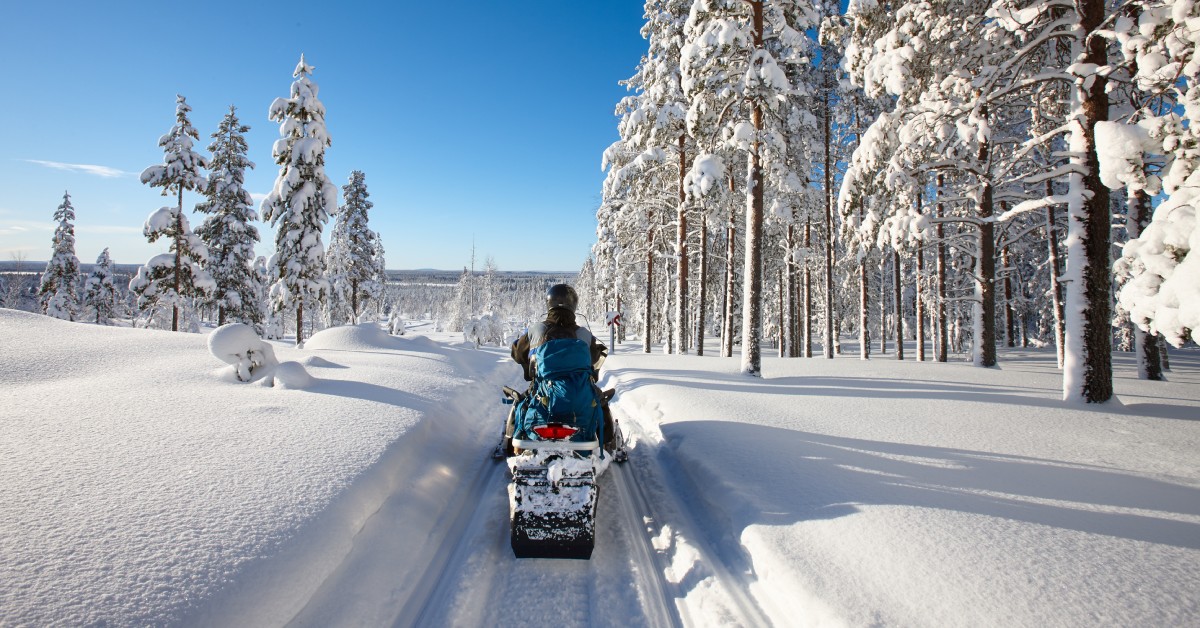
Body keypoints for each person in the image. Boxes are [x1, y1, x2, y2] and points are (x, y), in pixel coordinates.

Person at [506, 283, 615, 454]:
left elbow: (517, 354)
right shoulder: (585, 335)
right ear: (574, 305)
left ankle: (509, 442)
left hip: (543, 392)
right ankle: (608, 444)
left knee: (521, 402)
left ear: (549, 303)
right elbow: (594, 360)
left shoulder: (536, 330)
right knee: (601, 403)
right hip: (579, 393)